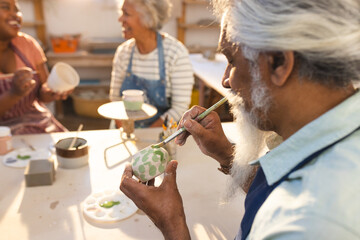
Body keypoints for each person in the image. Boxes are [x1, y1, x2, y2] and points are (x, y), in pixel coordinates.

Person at [120, 0, 360, 239]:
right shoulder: (326, 132)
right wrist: (225, 153)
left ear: (279, 63)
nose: (226, 81)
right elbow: (272, 186)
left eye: (231, 60)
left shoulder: (304, 223)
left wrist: (171, 223)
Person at [110, 0, 194, 128]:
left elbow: (179, 108)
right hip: (125, 130)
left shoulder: (176, 53)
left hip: (159, 135)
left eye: (126, 13)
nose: (120, 19)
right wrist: (126, 131)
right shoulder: (123, 52)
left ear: (149, 18)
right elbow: (115, 99)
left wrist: (147, 137)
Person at [0, 0, 71, 135]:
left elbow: (43, 94)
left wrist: (53, 90)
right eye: (5, 7)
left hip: (38, 124)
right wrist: (14, 94)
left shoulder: (28, 44)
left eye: (16, 9)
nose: (15, 14)